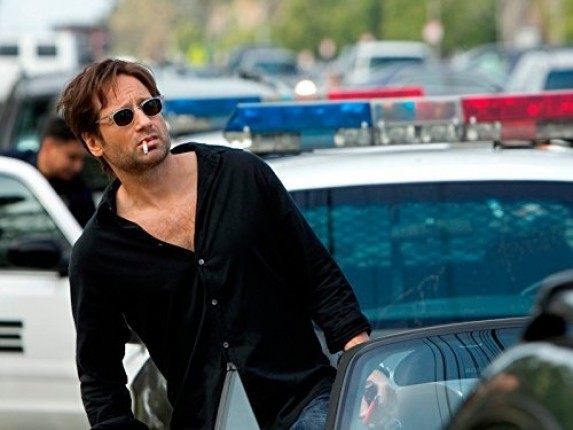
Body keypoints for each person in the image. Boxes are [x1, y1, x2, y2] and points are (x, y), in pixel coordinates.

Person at [58, 58, 371, 430]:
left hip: (303, 403)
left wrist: (365, 368)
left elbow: (317, 276)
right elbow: (100, 378)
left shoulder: (241, 176)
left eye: (150, 106)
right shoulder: (97, 254)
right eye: (123, 117)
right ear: (94, 142)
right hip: (206, 420)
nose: (144, 121)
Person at [1, 116, 96, 227]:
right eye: (72, 157)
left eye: (82, 159)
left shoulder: (77, 189)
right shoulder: (11, 169)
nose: (78, 166)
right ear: (49, 146)